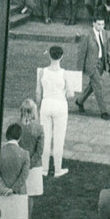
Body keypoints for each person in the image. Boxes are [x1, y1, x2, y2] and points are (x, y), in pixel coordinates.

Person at [36, 46, 72, 178]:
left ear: (49, 56)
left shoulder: (42, 72)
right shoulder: (64, 73)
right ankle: (57, 169)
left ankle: (44, 169)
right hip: (60, 105)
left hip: (46, 104)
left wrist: (39, 107)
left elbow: (38, 92)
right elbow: (70, 94)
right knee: (59, 138)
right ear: (61, 57)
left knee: (45, 137)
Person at [0, 123, 30, 219]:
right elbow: (24, 175)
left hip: (2, 192)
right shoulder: (25, 154)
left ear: (7, 136)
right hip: (18, 193)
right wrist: (13, 189)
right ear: (20, 137)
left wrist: (3, 188)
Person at [75, 17, 110, 120]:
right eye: (99, 24)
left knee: (93, 85)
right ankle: (103, 111)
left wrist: (109, 62)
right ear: (94, 24)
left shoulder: (105, 33)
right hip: (91, 65)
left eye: (102, 24)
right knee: (98, 85)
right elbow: (81, 53)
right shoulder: (87, 35)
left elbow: (107, 48)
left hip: (101, 63)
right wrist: (79, 69)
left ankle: (80, 101)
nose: (101, 27)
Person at [18, 99, 44, 219]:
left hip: (20, 164)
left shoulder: (17, 126)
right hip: (33, 166)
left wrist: (23, 164)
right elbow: (39, 151)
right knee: (30, 196)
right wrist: (30, 164)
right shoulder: (39, 128)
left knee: (20, 194)